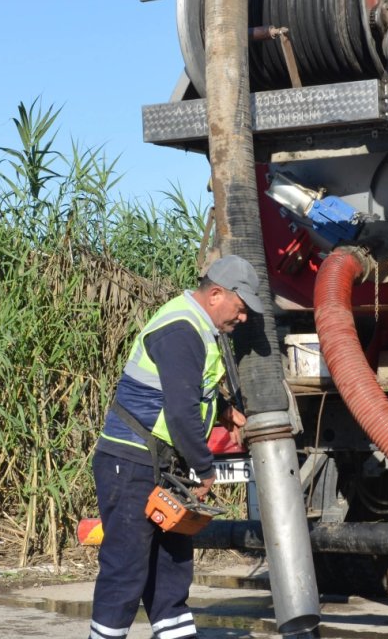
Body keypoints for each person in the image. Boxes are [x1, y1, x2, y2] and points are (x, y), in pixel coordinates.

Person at [88, 255, 259, 639]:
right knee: (126, 569)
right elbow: (181, 412)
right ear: (216, 294)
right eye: (241, 308)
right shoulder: (181, 329)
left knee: (171, 569)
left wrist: (225, 413)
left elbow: (189, 394)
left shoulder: (198, 326)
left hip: (160, 464)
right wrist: (205, 468)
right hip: (130, 462)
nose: (244, 318)